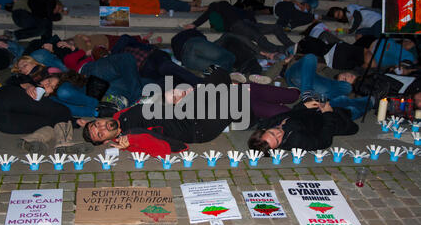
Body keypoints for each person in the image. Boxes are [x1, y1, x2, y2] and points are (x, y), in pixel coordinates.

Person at [80, 68, 302, 156]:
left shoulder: (120, 115)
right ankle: (282, 108)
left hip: (187, 110)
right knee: (234, 95)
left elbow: (152, 105)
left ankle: (260, 107)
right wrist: (136, 141)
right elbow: (178, 147)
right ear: (106, 141)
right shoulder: (130, 140)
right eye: (100, 134)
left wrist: (177, 98)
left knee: (219, 75)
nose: (101, 128)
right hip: (197, 128)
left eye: (96, 124)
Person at [184, 1, 296, 55]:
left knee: (274, 28)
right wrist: (195, 24)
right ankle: (285, 49)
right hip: (239, 25)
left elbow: (206, 14)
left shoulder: (218, 5)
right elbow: (206, 15)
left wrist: (194, 24)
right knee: (260, 37)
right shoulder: (221, 6)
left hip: (245, 23)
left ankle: (290, 45)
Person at [248, 100, 359, 153]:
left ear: (264, 130)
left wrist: (302, 106)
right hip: (338, 119)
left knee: (342, 96)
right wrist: (328, 114)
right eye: (278, 140)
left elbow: (290, 115)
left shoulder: (266, 124)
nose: (278, 133)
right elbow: (324, 141)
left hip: (316, 109)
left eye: (272, 133)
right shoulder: (295, 141)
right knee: (357, 107)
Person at [3, 0, 69, 41]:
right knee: (47, 22)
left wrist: (62, 10)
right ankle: (47, 42)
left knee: (43, 28)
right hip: (22, 14)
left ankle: (46, 42)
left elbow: (47, 16)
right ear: (57, 4)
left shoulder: (41, 7)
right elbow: (50, 16)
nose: (55, 12)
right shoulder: (50, 0)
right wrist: (60, 15)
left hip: (20, 17)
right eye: (57, 9)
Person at [171, 28, 236, 73]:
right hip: (194, 44)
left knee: (219, 67)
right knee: (231, 57)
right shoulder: (194, 32)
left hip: (186, 60)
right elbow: (204, 41)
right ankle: (213, 73)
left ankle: (212, 73)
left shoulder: (175, 39)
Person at [99, 0, 207, 15]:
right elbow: (137, 9)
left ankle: (193, 3)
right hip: (155, 5)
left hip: (153, 0)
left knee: (173, 1)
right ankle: (202, 8)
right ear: (106, 0)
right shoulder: (118, 3)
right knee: (179, 6)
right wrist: (157, 11)